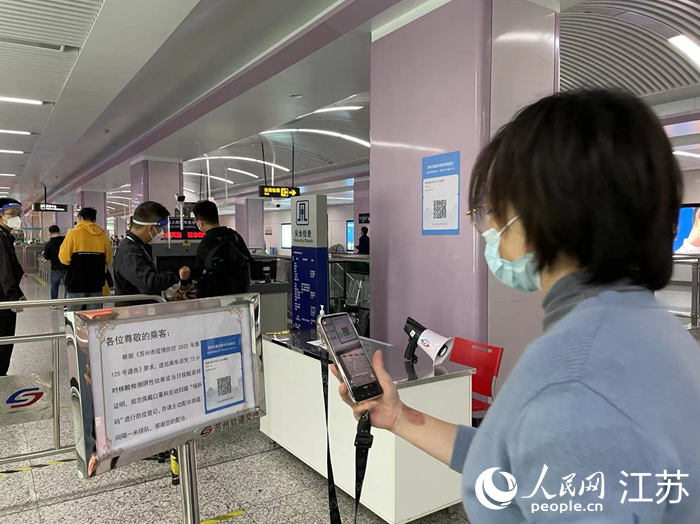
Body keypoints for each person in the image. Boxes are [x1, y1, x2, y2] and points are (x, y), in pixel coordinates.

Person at [332, 90, 700, 522]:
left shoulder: (573, 381)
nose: (489, 228)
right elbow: (520, 465)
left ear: (545, 210)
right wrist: (398, 416)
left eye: (493, 209)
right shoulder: (652, 330)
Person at [113, 201, 183, 306]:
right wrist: (172, 277)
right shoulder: (129, 252)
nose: (161, 232)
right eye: (160, 228)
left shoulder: (139, 246)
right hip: (133, 311)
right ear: (151, 228)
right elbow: (149, 284)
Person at [179, 200, 251, 298]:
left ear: (200, 222)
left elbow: (199, 272)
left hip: (214, 298)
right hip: (240, 294)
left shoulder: (206, 242)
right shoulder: (234, 236)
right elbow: (248, 260)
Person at [59, 207, 112, 311]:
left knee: (74, 316)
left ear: (80, 217)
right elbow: (108, 260)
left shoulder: (73, 234)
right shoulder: (103, 236)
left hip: (76, 282)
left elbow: (64, 258)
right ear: (94, 220)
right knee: (94, 317)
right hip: (96, 283)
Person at [0, 198, 26, 376]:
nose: (16, 218)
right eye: (11, 214)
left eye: (18, 214)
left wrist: (19, 292)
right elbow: (4, 269)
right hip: (3, 300)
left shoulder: (6, 236)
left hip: (4, 295)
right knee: (4, 340)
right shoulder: (1, 238)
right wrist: (13, 297)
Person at [43, 225, 66, 308]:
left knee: (54, 286)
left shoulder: (49, 244)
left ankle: (54, 304)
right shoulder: (65, 240)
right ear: (59, 231)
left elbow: (47, 257)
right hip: (66, 266)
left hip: (55, 267)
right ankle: (66, 304)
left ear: (50, 233)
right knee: (67, 286)